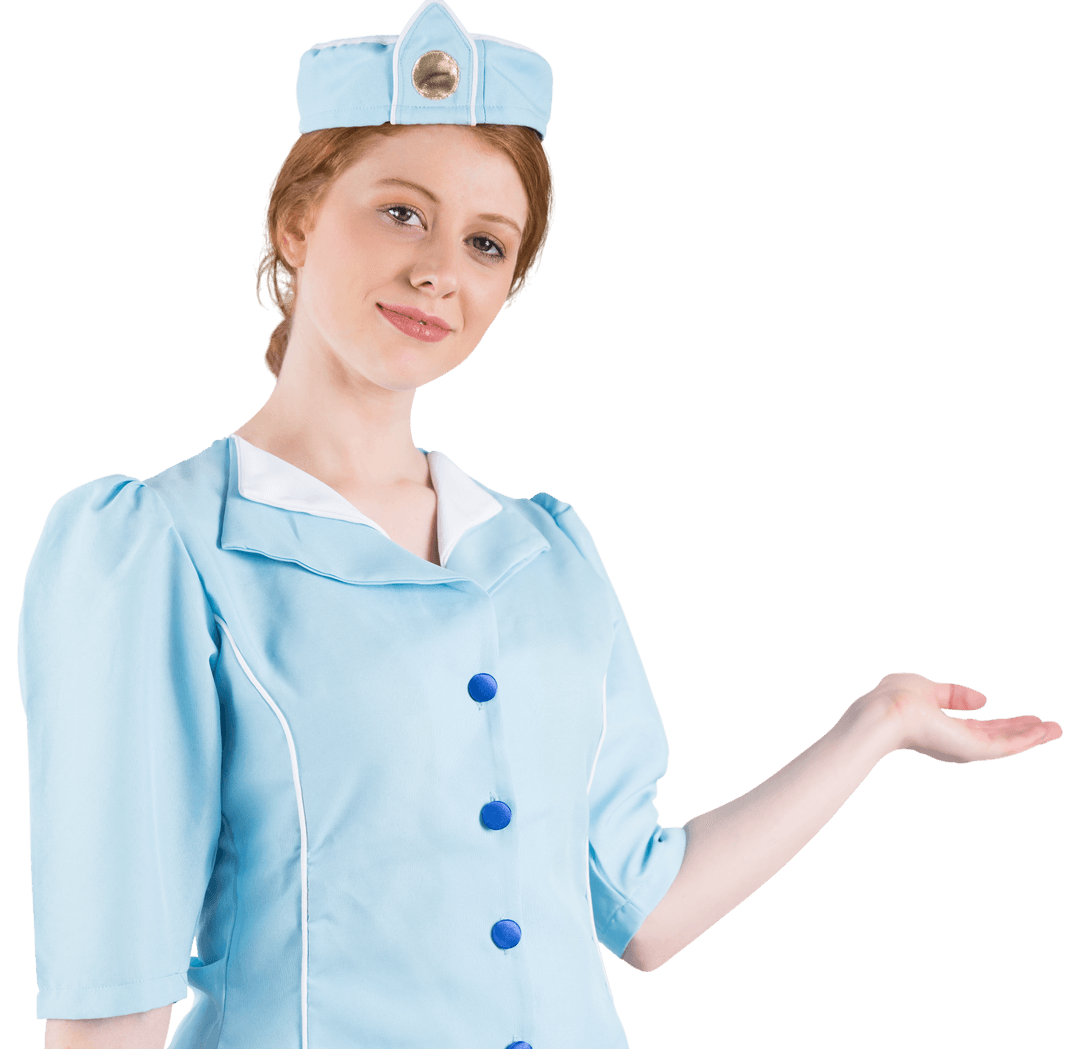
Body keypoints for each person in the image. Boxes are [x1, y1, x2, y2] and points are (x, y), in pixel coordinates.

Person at [18, 3, 1063, 1049]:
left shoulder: (546, 552)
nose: (441, 271)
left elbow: (645, 909)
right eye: (401, 212)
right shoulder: (154, 546)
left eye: (486, 242)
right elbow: (109, 999)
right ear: (297, 220)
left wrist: (873, 724)